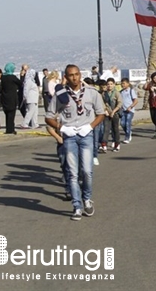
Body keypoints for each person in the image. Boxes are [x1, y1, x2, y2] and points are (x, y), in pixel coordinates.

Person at [45, 64, 105, 221]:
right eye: (71, 75)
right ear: (66, 77)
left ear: (80, 75)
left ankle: (87, 198)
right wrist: (61, 127)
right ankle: (77, 206)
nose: (74, 77)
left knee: (87, 171)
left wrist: (90, 126)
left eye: (77, 74)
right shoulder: (61, 95)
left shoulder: (92, 93)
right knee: (72, 173)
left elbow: (101, 113)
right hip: (70, 136)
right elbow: (49, 116)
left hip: (86, 135)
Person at [102, 77, 122, 152]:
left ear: (114, 85)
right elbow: (102, 103)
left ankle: (117, 144)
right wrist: (105, 110)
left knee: (115, 129)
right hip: (107, 114)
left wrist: (114, 111)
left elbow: (120, 103)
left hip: (115, 114)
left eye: (111, 84)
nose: (109, 86)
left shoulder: (117, 93)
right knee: (106, 129)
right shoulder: (104, 93)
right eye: (108, 84)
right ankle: (104, 145)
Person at [0, 63, 21, 134]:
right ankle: (11, 129)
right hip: (12, 98)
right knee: (11, 114)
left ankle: (8, 129)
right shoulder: (12, 77)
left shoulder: (3, 77)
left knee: (7, 114)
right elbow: (20, 83)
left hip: (4, 97)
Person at [119, 77, 138, 143]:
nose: (122, 85)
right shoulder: (121, 92)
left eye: (124, 83)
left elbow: (135, 100)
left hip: (130, 111)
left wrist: (131, 107)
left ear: (128, 83)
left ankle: (127, 137)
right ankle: (129, 132)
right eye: (121, 83)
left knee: (127, 123)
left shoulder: (131, 91)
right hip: (123, 110)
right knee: (122, 123)